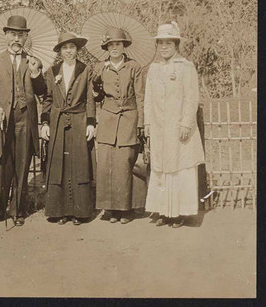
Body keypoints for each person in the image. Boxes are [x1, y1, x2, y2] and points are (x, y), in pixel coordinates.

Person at [0, 15, 46, 226]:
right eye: (13, 34)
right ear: (6, 36)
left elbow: (42, 92)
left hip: (25, 120)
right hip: (2, 120)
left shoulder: (33, 61)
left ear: (26, 37)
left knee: (22, 165)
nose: (16, 39)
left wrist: (37, 73)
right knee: (0, 165)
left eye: (20, 35)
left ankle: (18, 211)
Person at [144, 22, 205, 227]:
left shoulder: (185, 67)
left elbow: (191, 97)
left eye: (168, 43)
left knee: (180, 168)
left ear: (176, 44)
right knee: (161, 169)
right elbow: (148, 98)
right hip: (160, 128)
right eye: (160, 43)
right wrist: (148, 124)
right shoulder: (153, 68)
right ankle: (163, 211)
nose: (164, 47)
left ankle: (179, 213)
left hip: (179, 128)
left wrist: (187, 123)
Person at [41, 32, 96, 225]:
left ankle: (79, 212)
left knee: (78, 163)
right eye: (65, 48)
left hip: (79, 120)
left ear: (77, 49)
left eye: (72, 47)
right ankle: (60, 211)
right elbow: (47, 99)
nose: (69, 51)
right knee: (59, 164)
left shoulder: (85, 70)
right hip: (57, 122)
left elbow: (89, 98)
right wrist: (45, 123)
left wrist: (90, 122)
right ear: (60, 51)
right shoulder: (52, 71)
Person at [92, 27, 144, 224]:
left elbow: (140, 95)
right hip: (107, 118)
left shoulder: (134, 67)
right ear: (107, 47)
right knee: (106, 163)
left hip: (128, 117)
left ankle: (126, 209)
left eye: (118, 44)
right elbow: (94, 94)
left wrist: (141, 122)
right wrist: (96, 79)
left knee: (124, 162)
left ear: (124, 46)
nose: (114, 48)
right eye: (111, 45)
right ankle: (110, 209)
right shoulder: (100, 67)